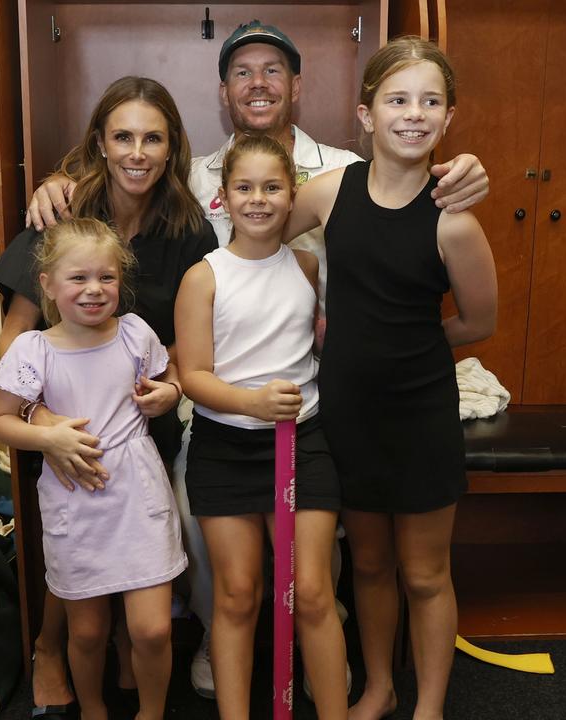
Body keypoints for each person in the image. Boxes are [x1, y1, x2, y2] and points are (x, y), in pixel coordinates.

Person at [24, 20, 491, 698]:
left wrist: (463, 169)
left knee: (353, 567)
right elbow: (129, 166)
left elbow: (400, 206)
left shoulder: (334, 172)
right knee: (206, 523)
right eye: (243, 71)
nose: (258, 83)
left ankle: (332, 659)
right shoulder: (191, 176)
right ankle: (222, 634)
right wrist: (59, 180)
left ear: (298, 86)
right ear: (224, 91)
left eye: (274, 69)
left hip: (318, 401)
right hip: (215, 397)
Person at [0, 76, 216, 716]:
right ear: (100, 143)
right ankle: (51, 647)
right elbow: (12, 335)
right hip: (56, 418)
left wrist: (169, 391)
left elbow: (189, 349)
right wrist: (41, 416)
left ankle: (125, 645)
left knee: (138, 575)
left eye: (153, 138)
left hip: (144, 427)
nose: (137, 152)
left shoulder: (189, 232)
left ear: (172, 149)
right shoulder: (59, 216)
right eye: (122, 137)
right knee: (76, 553)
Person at [284, 36, 498, 720]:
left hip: (421, 414)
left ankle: (428, 706)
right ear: (366, 114)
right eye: (398, 99)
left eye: (430, 101)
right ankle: (378, 686)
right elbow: (254, 243)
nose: (414, 113)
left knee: (426, 573)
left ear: (449, 117)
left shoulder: (455, 223)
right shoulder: (326, 193)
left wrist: (408, 347)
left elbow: (477, 321)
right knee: (370, 565)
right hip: (346, 409)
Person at [173, 135, 346, 719]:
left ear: (292, 194)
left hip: (303, 443)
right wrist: (251, 404)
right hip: (225, 448)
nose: (259, 199)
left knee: (314, 593)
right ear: (222, 199)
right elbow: (193, 375)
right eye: (244, 187)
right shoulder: (204, 276)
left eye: (272, 187)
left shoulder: (306, 263)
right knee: (238, 594)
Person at [0, 217, 187, 720]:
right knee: (88, 630)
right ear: (48, 285)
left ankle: (152, 711)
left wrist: (170, 392)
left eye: (107, 277)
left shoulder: (136, 334)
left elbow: (168, 378)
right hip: (74, 502)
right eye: (78, 278)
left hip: (138, 496)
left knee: (152, 629)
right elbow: (1, 424)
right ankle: (94, 709)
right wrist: (47, 435)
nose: (94, 290)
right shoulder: (34, 349)